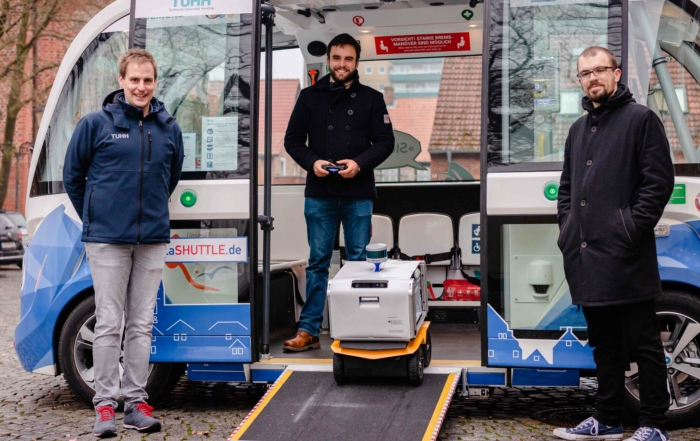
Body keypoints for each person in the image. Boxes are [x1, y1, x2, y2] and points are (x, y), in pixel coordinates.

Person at [553, 46, 674, 441]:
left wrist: (629, 229)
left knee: (644, 344)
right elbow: (567, 190)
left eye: (599, 70)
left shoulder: (641, 119)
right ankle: (607, 419)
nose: (593, 78)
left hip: (628, 255)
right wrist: (568, 230)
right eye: (585, 73)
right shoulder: (577, 130)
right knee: (604, 345)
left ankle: (654, 424)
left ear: (616, 74)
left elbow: (658, 184)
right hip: (586, 256)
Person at [63, 48, 184, 437]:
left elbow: (171, 177)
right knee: (110, 321)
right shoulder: (95, 124)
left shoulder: (169, 128)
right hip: (107, 240)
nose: (141, 87)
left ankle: (135, 404)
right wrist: (97, 216)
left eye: (147, 80)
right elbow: (73, 176)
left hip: (152, 239)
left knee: (142, 323)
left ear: (155, 82)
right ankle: (104, 406)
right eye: (134, 79)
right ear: (121, 81)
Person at [283, 33, 395, 351]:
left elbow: (385, 142)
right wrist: (313, 162)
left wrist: (359, 164)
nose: (341, 64)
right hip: (320, 190)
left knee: (357, 261)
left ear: (356, 63)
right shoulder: (309, 97)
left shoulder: (372, 98)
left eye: (348, 59)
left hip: (358, 191)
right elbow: (292, 141)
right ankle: (308, 330)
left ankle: (356, 327)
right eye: (336, 58)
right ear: (328, 60)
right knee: (318, 261)